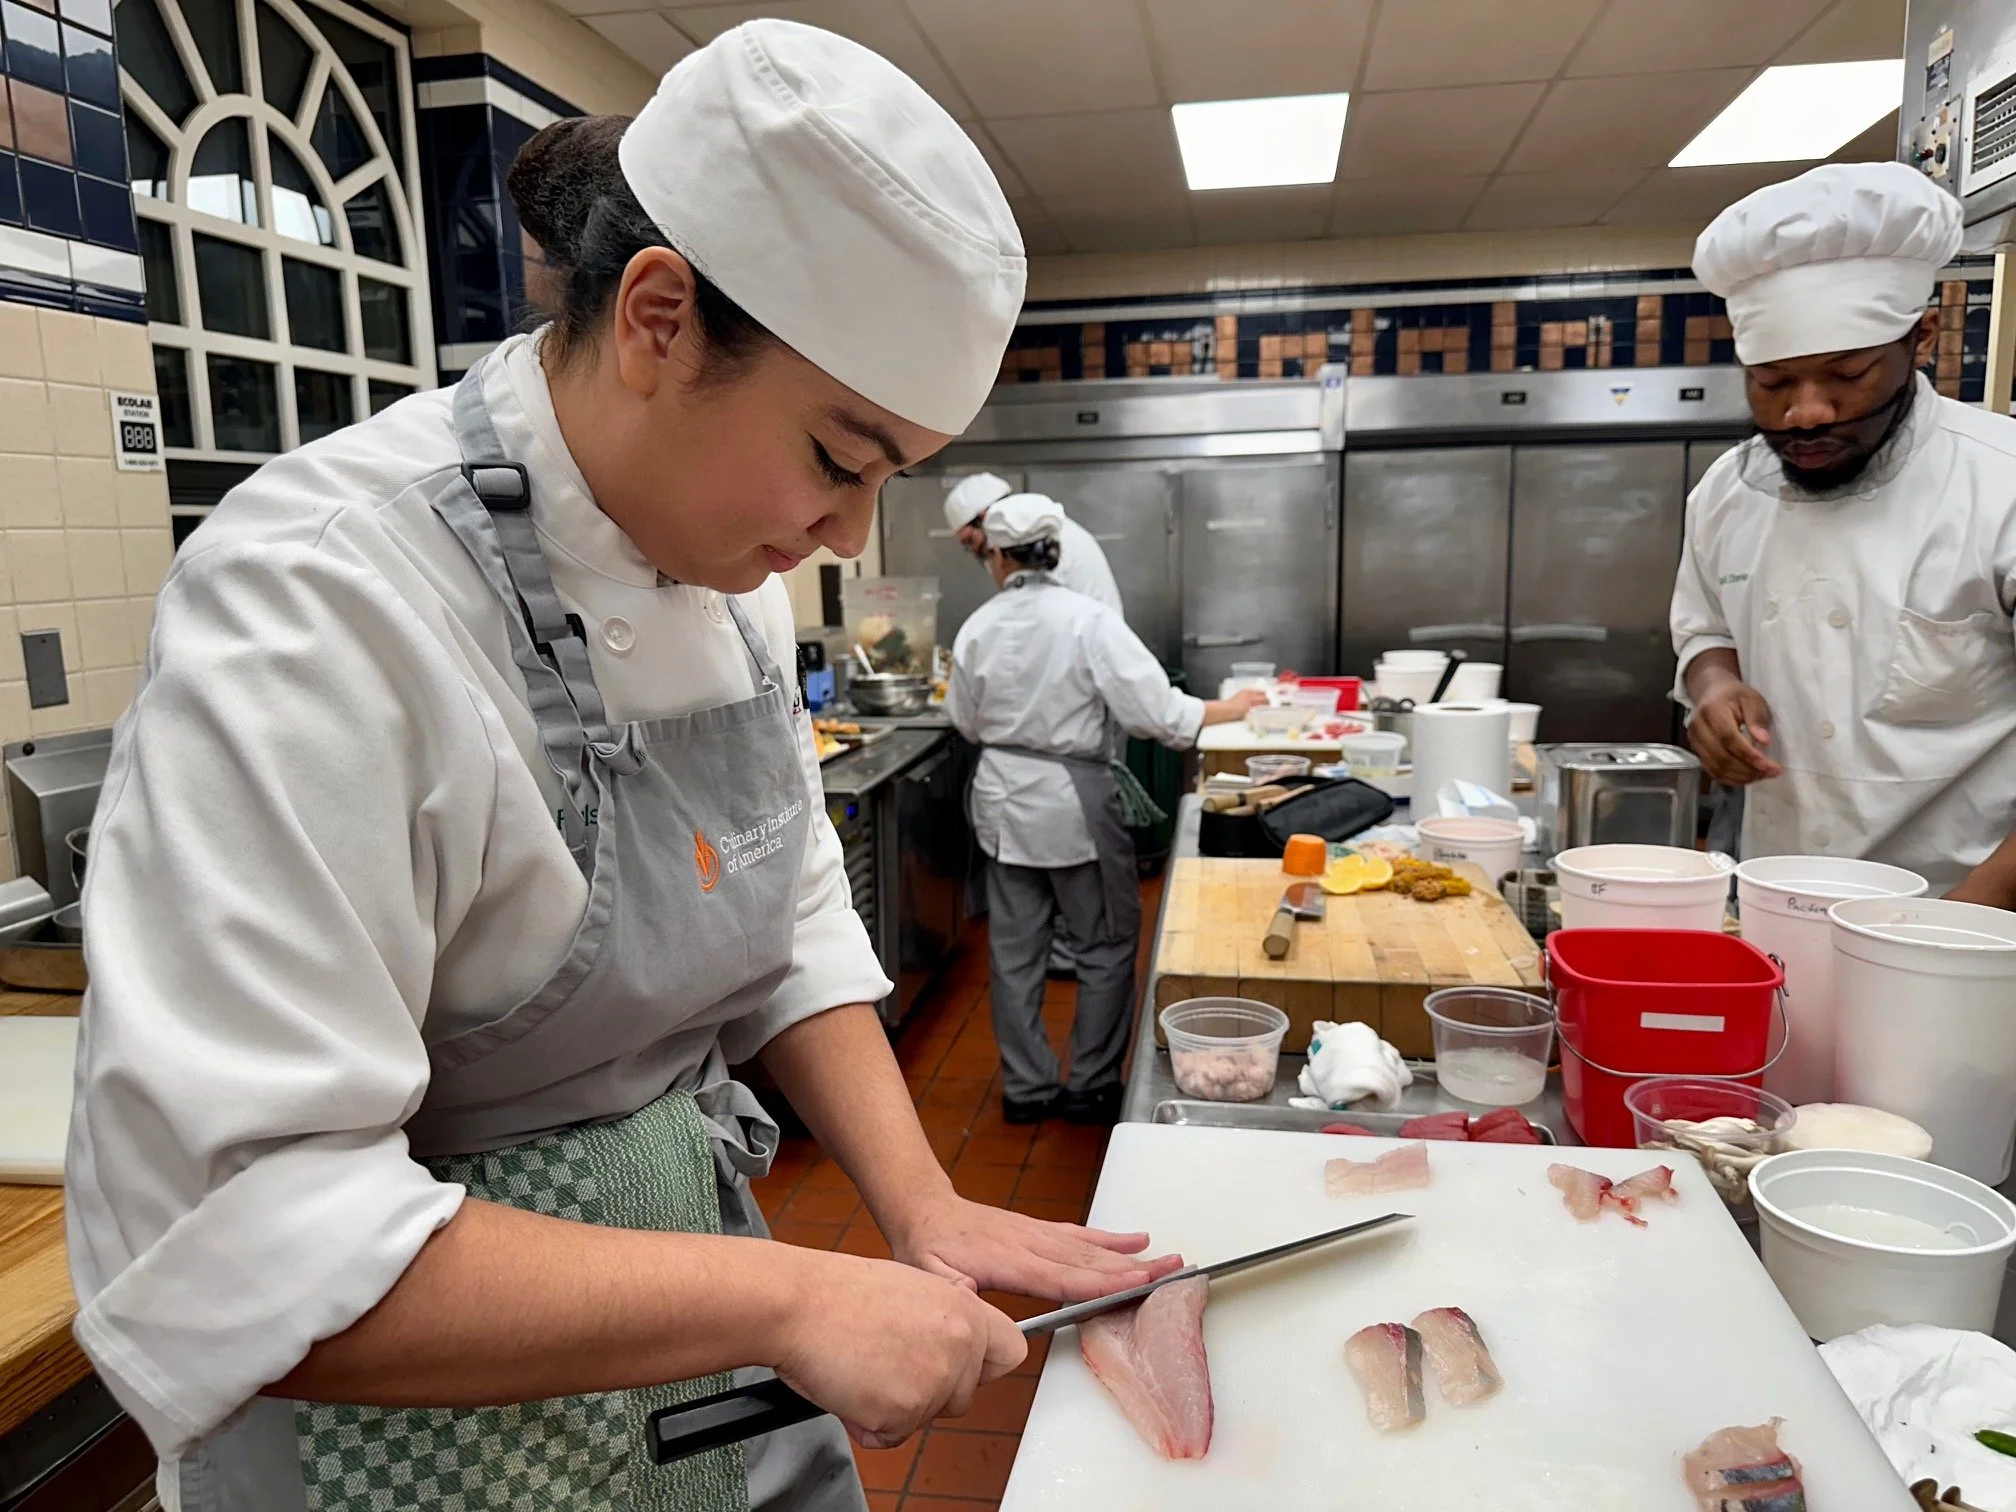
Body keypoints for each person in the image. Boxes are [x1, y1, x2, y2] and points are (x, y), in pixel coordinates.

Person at [65, 26, 1186, 1512]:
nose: (851, 536)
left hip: (683, 1361)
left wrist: (921, 1205)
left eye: (891, 477)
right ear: (658, 318)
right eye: (839, 459)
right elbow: (246, 1231)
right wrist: (787, 1302)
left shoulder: (723, 570)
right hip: (407, 1440)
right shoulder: (321, 598)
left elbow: (785, 908)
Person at [1670, 162, 2016, 892]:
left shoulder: (2001, 486)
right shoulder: (1728, 493)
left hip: (1971, 914)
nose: (1806, 412)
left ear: (1920, 340)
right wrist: (1713, 685)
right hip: (1777, 896)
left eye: (1846, 374)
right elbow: (1705, 630)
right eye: (1772, 383)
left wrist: (1967, 916)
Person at [946, 496, 1265, 1126]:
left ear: (1000, 558)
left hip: (1003, 801)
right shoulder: (1087, 620)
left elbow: (963, 718)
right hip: (1073, 804)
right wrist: (1234, 708)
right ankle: (1090, 1084)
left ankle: (1028, 1089)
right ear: (1055, 551)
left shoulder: (977, 626)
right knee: (1106, 944)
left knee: (1014, 954)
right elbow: (1162, 717)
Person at [943, 471, 1123, 613]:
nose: (974, 551)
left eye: (969, 541)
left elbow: (1036, 613)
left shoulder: (1042, 538)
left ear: (986, 518)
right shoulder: (1027, 536)